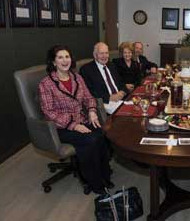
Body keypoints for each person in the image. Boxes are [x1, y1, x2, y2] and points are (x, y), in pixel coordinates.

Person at [38, 45, 113, 195]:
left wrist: (92, 111)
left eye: (67, 57)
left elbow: (89, 98)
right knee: (90, 140)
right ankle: (94, 182)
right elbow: (49, 112)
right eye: (60, 57)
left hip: (83, 119)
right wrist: (73, 125)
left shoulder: (77, 77)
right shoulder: (46, 84)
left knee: (103, 134)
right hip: (61, 127)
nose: (65, 60)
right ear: (53, 62)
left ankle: (105, 175)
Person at [80, 42, 127, 111]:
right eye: (101, 53)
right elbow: (89, 92)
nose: (104, 56)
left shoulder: (112, 65)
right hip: (105, 104)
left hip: (121, 100)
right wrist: (109, 97)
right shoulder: (86, 69)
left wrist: (122, 92)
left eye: (106, 53)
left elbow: (121, 82)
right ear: (95, 55)